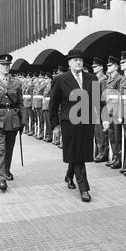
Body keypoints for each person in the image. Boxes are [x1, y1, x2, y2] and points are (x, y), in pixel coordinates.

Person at [49, 49, 108, 202]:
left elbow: (98, 102)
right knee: (77, 155)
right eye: (75, 60)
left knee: (77, 152)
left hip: (86, 122)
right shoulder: (61, 79)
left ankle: (69, 176)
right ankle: (84, 189)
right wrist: (55, 125)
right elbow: (53, 105)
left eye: (80, 60)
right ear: (69, 63)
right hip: (69, 122)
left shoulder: (92, 78)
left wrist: (105, 118)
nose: (78, 62)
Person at [0, 54, 26, 192]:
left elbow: (20, 103)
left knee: (9, 149)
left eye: (8, 65)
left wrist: (23, 121)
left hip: (13, 120)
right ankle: (1, 179)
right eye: (3, 65)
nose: (6, 67)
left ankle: (6, 170)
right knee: (0, 150)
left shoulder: (16, 83)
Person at [105, 56, 122, 169]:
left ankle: (119, 158)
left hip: (116, 110)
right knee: (111, 135)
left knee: (117, 136)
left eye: (110, 65)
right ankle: (115, 157)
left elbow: (120, 97)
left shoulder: (119, 78)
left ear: (116, 66)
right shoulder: (110, 78)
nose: (108, 67)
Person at [90, 57, 109, 163]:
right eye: (93, 66)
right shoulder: (95, 78)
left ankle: (103, 153)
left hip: (101, 107)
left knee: (102, 132)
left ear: (101, 67)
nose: (94, 68)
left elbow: (104, 96)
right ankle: (98, 151)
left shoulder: (104, 79)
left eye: (96, 66)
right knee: (97, 132)